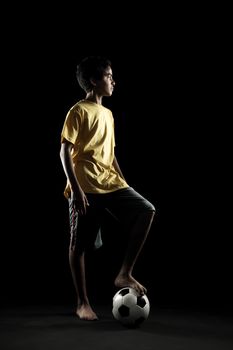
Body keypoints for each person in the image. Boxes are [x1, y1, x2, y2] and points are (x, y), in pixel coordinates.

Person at [59, 56, 155, 321]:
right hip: (86, 185)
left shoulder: (109, 114)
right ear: (94, 80)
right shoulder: (78, 111)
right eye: (109, 76)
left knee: (146, 209)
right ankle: (82, 302)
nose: (113, 80)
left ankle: (124, 272)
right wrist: (76, 190)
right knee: (79, 245)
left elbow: (110, 154)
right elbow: (65, 151)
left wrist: (124, 183)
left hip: (110, 183)